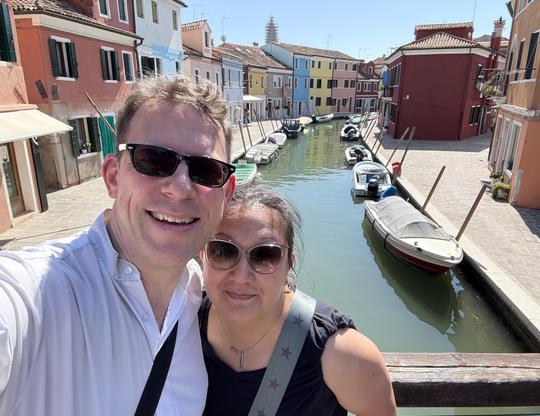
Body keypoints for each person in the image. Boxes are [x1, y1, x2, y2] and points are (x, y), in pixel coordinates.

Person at [0, 76, 236, 415]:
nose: (181, 187)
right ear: (113, 177)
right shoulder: (37, 292)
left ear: (225, 195)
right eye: (154, 160)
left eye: (206, 170)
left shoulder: (195, 293)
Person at [198, 185, 396, 416]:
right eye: (223, 251)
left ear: (288, 266)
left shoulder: (342, 354)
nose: (241, 276)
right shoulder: (180, 323)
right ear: (203, 255)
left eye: (264, 255)